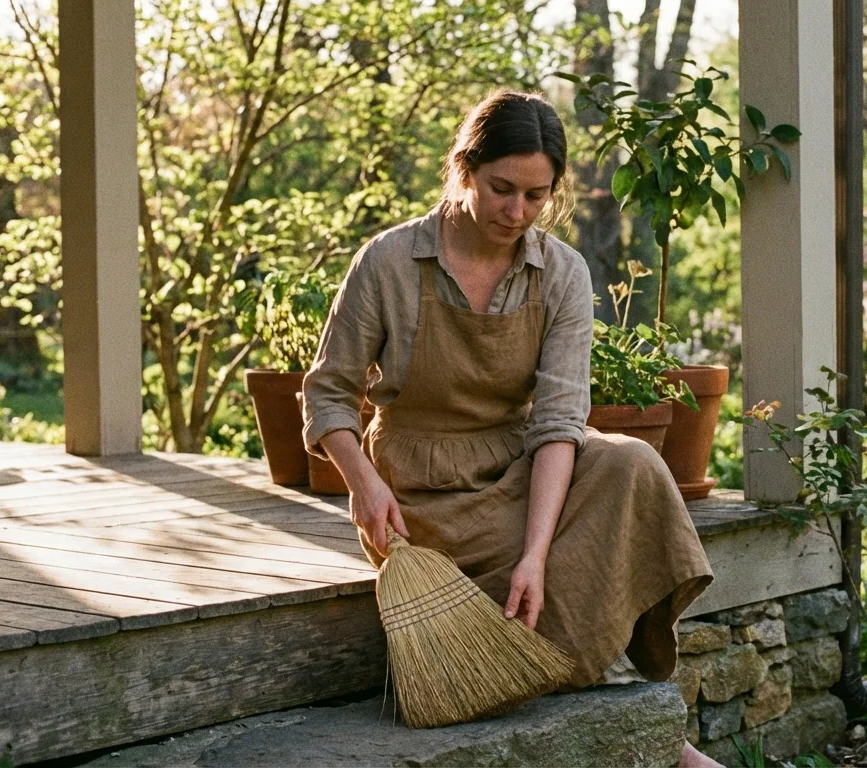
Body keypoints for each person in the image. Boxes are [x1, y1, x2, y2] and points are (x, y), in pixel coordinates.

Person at [301, 90, 720, 767]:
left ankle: (612, 705)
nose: (516, 212)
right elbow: (327, 395)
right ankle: (665, 746)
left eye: (536, 195)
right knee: (563, 562)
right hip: (415, 498)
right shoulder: (387, 262)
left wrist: (535, 553)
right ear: (464, 168)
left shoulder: (560, 273)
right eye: (501, 189)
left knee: (632, 465)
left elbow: (558, 424)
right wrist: (363, 484)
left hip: (517, 474)